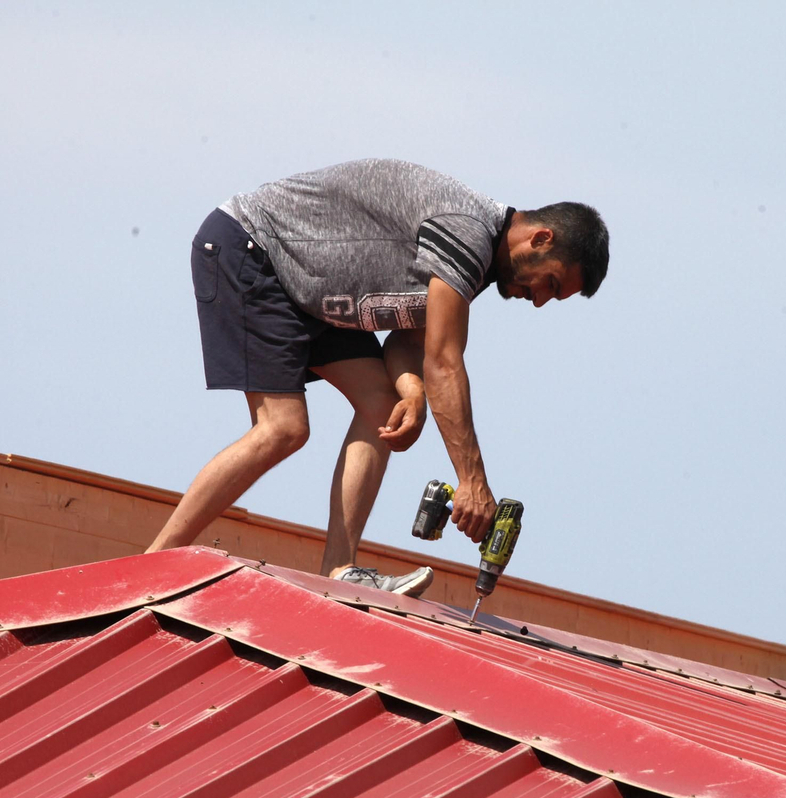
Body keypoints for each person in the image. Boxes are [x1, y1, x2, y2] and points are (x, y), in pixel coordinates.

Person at [146, 159, 609, 595]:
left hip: (311, 292)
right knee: (283, 428)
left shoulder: (476, 267)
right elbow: (444, 362)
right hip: (253, 249)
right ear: (541, 239)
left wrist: (412, 393)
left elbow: (410, 343)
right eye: (551, 283)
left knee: (385, 408)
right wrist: (471, 482)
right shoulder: (468, 234)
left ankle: (339, 571)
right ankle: (153, 565)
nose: (539, 300)